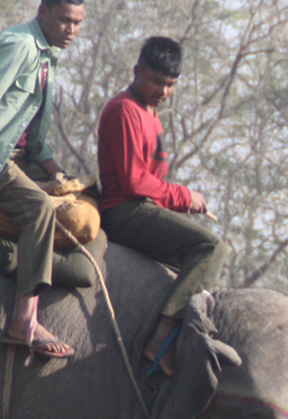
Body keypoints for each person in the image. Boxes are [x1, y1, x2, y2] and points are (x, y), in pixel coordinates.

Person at [0, 0, 84, 362]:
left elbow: (33, 138)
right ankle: (24, 319)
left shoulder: (47, 56)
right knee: (39, 208)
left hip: (20, 156)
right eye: (65, 20)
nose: (72, 30)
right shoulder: (18, 45)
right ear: (43, 12)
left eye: (78, 23)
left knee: (82, 203)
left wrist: (57, 172)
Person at [97, 36, 231, 374]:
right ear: (137, 70)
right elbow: (134, 182)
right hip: (125, 211)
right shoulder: (124, 109)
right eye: (157, 81)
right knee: (212, 247)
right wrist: (186, 197)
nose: (164, 90)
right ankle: (162, 338)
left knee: (207, 275)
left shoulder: (151, 113)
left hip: (145, 209)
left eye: (171, 84)